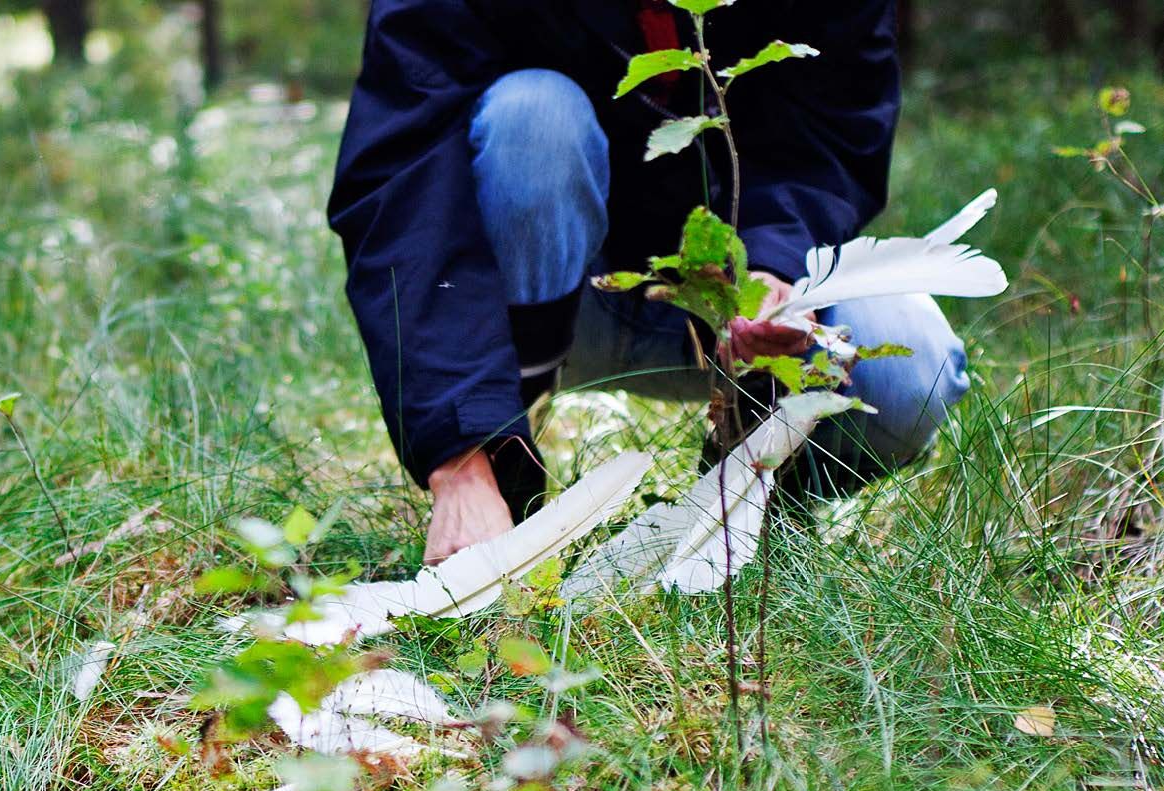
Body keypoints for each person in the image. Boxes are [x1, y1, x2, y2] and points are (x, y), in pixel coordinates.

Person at [328, 0, 970, 563]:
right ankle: (505, 491)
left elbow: (830, 127)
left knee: (912, 369)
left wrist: (771, 267)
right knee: (534, 119)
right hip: (535, 301)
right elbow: (404, 178)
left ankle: (745, 500)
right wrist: (462, 452)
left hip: (725, 309)